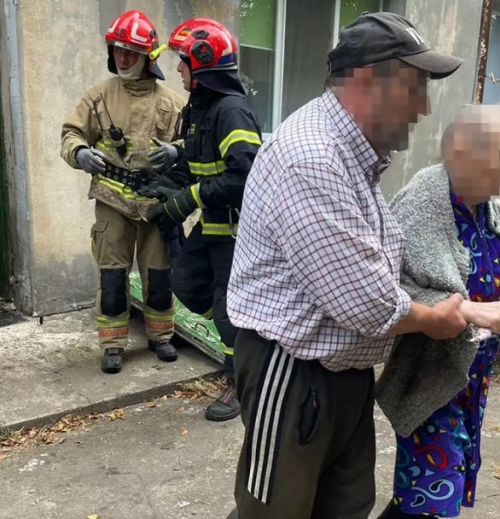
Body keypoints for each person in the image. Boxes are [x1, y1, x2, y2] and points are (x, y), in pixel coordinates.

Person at [225, 12, 469, 519]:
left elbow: (381, 260)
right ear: (366, 81)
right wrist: (434, 319)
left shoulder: (354, 158)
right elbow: (367, 302)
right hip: (292, 372)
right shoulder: (312, 157)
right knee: (275, 513)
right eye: (415, 88)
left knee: (346, 506)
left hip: (343, 371)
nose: (424, 107)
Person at [375, 104, 500, 519]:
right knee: (435, 494)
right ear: (463, 153)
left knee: (428, 493)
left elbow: (465, 265)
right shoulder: (422, 204)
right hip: (431, 377)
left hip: (471, 375)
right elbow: (385, 289)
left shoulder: (487, 206)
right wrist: (471, 310)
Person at [140, 18, 262, 422]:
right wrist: (166, 185)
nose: (177, 68)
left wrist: (187, 200)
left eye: (183, 61)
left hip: (237, 232)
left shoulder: (231, 112)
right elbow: (195, 165)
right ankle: (249, 344)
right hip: (212, 227)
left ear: (204, 63)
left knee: (227, 312)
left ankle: (240, 382)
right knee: (187, 284)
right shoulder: (201, 109)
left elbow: (243, 177)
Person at [60, 10, 187, 374]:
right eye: (117, 50)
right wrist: (79, 153)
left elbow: (192, 144)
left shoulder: (173, 102)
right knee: (112, 274)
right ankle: (113, 343)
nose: (123, 58)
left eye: (131, 52)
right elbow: (71, 133)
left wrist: (177, 151)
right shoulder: (98, 97)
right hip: (112, 202)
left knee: (159, 273)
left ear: (148, 56)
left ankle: (161, 336)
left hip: (156, 205)